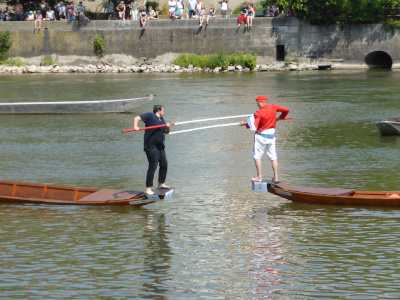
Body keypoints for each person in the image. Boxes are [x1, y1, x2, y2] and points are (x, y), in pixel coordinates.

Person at [239, 96, 289, 183]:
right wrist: (281, 117)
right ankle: (276, 177)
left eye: (258, 103)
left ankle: (259, 177)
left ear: (262, 102)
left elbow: (253, 126)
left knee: (257, 156)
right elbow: (286, 110)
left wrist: (244, 124)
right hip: (271, 136)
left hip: (261, 137)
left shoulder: (259, 112)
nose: (257, 105)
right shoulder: (274, 107)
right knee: (273, 156)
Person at [133, 105, 171, 195]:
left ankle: (160, 183)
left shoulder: (162, 120)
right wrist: (136, 126)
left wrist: (168, 127)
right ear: (158, 111)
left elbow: (166, 132)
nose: (164, 112)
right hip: (151, 147)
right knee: (152, 167)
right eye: (163, 111)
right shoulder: (150, 116)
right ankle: (148, 188)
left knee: (164, 164)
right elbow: (137, 118)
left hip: (161, 147)